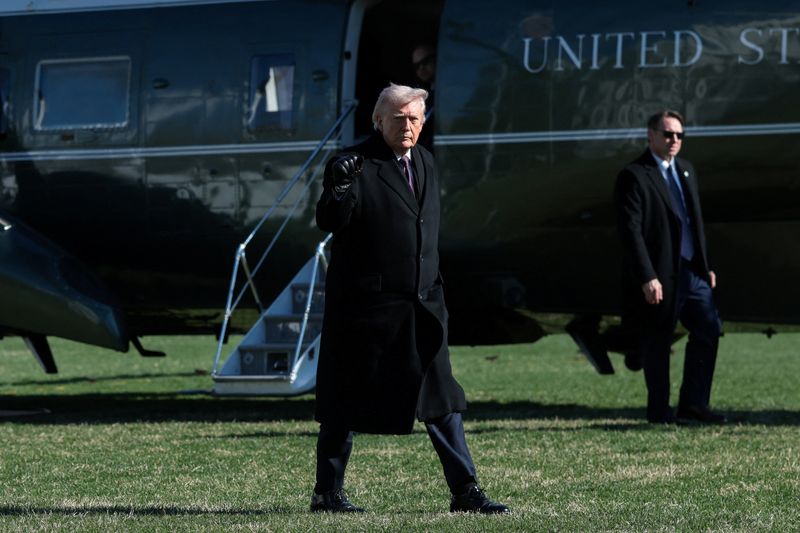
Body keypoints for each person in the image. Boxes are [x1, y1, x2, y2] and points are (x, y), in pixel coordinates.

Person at [311, 83, 510, 514]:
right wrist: (339, 188)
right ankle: (327, 493)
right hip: (368, 308)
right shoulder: (354, 163)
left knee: (442, 399)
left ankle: (466, 490)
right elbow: (329, 220)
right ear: (378, 120)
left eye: (414, 118)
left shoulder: (425, 160)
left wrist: (435, 287)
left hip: (423, 304)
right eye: (398, 118)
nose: (407, 126)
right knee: (344, 400)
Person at [614, 110, 725, 425]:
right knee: (658, 341)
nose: (674, 140)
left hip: (693, 272)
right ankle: (659, 411)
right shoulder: (635, 175)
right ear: (651, 135)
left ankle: (694, 404)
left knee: (709, 329)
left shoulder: (686, 170)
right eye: (668, 134)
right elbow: (630, 231)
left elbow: (694, 222)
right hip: (661, 274)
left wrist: (706, 265)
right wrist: (647, 276)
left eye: (679, 135)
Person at [411, 44, 436, 152]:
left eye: (425, 61)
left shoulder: (451, 91)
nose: (421, 68)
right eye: (417, 66)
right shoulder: (421, 96)